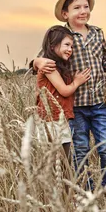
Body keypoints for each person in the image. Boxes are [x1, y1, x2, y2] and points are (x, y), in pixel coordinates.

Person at [31, 0, 106, 190]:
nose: (83, 10)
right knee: (80, 150)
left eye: (86, 6)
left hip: (99, 103)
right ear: (66, 14)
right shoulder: (62, 36)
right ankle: (86, 189)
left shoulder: (97, 33)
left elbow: (104, 64)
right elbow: (44, 58)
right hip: (75, 107)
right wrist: (37, 61)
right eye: (77, 8)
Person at [36, 25, 91, 165]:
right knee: (56, 165)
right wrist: (77, 82)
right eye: (66, 45)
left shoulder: (61, 66)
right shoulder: (49, 66)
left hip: (60, 120)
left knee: (65, 163)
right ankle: (57, 187)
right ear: (53, 46)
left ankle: (65, 187)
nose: (70, 50)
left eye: (72, 46)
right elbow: (64, 90)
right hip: (51, 121)